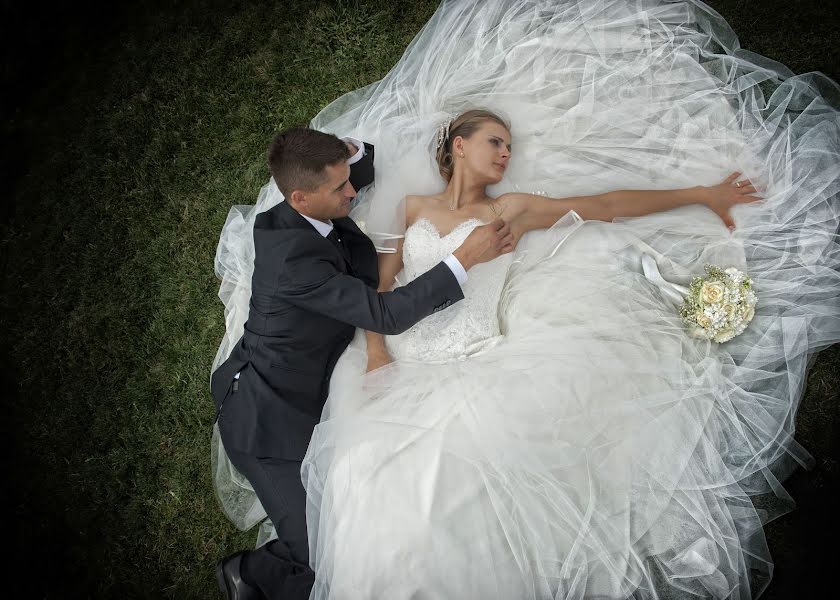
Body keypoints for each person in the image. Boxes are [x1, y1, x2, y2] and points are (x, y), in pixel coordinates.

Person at [214, 0, 840, 598]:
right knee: (354, 512)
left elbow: (605, 208)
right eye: (494, 141)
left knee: (441, 494)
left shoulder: (509, 210)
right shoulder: (413, 209)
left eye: (510, 146)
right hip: (379, 369)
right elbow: (380, 291)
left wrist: (701, 193)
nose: (506, 153)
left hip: (470, 361)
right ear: (457, 145)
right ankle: (288, 577)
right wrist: (379, 351)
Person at [211, 127, 515, 599]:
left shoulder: (302, 205)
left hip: (301, 382)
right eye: (340, 188)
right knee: (322, 553)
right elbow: (386, 314)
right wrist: (461, 259)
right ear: (300, 198)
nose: (353, 191)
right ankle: (247, 574)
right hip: (265, 418)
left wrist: (347, 151)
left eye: (346, 178)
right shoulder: (294, 261)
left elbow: (357, 166)